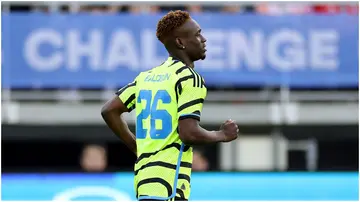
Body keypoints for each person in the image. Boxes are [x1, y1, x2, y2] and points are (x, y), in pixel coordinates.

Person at [101, 10, 239, 201]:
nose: (204, 39)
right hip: (169, 184)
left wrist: (137, 147)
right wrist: (221, 135)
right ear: (180, 42)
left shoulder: (145, 78)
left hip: (144, 181)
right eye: (197, 34)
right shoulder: (190, 79)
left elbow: (109, 110)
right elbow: (188, 133)